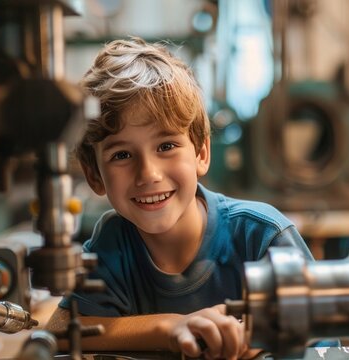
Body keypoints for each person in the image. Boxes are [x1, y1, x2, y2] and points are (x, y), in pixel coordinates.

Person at [45, 37, 313, 360]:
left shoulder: (262, 237)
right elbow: (58, 330)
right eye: (122, 154)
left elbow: (320, 334)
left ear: (201, 152)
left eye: (166, 146)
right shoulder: (113, 244)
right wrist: (170, 328)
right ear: (94, 175)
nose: (148, 174)